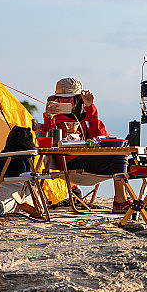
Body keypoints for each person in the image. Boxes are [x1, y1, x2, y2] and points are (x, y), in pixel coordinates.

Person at [41, 77, 132, 213]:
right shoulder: (55, 118)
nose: (65, 101)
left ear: (77, 99)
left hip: (89, 161)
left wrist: (90, 108)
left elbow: (101, 136)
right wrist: (49, 118)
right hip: (70, 163)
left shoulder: (86, 116)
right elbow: (47, 141)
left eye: (70, 97)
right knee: (120, 155)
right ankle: (120, 201)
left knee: (138, 164)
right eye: (61, 98)